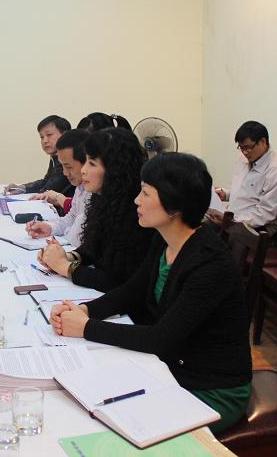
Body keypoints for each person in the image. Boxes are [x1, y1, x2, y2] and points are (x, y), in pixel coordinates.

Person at [50, 153, 252, 434]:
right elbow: (132, 291)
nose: (137, 200)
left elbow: (161, 338)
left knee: (113, 424)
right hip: (170, 367)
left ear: (174, 206)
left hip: (211, 388)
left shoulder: (210, 263)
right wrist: (85, 310)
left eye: (145, 193)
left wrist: (86, 327)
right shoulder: (164, 239)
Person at [37, 128, 152, 292]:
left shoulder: (135, 211)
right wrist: (68, 256)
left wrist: (64, 266)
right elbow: (93, 248)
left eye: (91, 163)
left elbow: (118, 280)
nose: (83, 170)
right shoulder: (104, 198)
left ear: (114, 168)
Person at [213, 121, 277, 236]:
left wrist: (231, 223)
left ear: (263, 142)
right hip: (234, 219)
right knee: (197, 228)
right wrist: (226, 194)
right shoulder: (244, 158)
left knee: (207, 238)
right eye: (241, 148)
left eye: (248, 147)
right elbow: (242, 190)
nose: (244, 152)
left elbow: (265, 214)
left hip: (257, 228)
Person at [25, 129, 90, 248]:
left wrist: (69, 231)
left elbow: (77, 237)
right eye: (63, 166)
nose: (65, 173)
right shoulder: (81, 187)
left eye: (69, 167)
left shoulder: (95, 191)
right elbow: (72, 218)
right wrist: (50, 227)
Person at [5, 115, 73, 196]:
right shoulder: (55, 157)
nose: (45, 141)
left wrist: (35, 194)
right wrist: (22, 188)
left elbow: (50, 189)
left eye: (49, 135)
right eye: (42, 137)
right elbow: (46, 182)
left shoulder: (68, 158)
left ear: (65, 135)